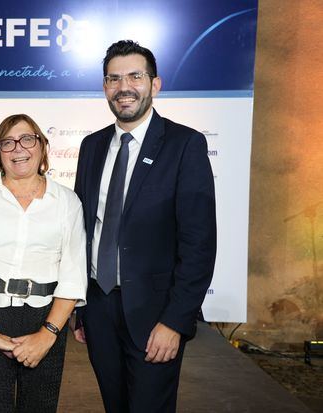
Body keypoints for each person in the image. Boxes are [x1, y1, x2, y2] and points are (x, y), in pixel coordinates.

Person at [73, 40, 217, 413]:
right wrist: (79, 308)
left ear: (155, 84)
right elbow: (82, 232)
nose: (124, 87)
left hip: (156, 315)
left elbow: (199, 243)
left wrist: (176, 321)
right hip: (99, 308)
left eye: (135, 76)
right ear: (105, 87)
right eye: (113, 78)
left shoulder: (185, 145)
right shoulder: (91, 147)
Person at [0, 114, 87, 413]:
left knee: (40, 407)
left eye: (27, 139)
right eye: (7, 143)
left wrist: (47, 333)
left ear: (42, 146)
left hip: (46, 319)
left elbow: (73, 275)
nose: (18, 149)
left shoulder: (67, 202)